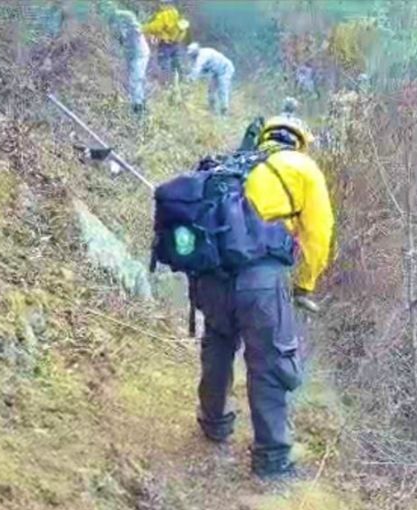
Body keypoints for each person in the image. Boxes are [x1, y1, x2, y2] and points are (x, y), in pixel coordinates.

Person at [193, 116, 334, 479]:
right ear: (300, 141)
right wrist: (305, 283)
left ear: (265, 136)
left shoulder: (234, 164)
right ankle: (272, 458)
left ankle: (213, 423)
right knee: (268, 361)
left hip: (213, 276)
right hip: (261, 279)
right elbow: (319, 233)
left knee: (218, 344)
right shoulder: (302, 167)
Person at [110, 9, 150, 115]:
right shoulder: (119, 29)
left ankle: (138, 107)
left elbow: (133, 21)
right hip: (132, 56)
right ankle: (138, 102)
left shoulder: (133, 26)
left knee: (136, 79)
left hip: (141, 55)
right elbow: (121, 41)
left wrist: (118, 13)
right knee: (133, 80)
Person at [142, 0, 189, 80]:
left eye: (162, 3)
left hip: (165, 44)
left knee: (164, 62)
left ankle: (166, 81)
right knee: (176, 62)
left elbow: (155, 27)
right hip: (175, 43)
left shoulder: (163, 15)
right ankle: (181, 79)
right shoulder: (175, 12)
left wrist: (143, 28)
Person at [186, 42, 235, 116]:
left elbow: (197, 69)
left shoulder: (203, 55)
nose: (191, 56)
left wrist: (190, 79)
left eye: (192, 54)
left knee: (223, 91)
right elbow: (199, 70)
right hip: (216, 72)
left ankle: (224, 112)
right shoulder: (198, 57)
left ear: (196, 51)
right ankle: (212, 111)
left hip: (225, 70)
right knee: (211, 91)